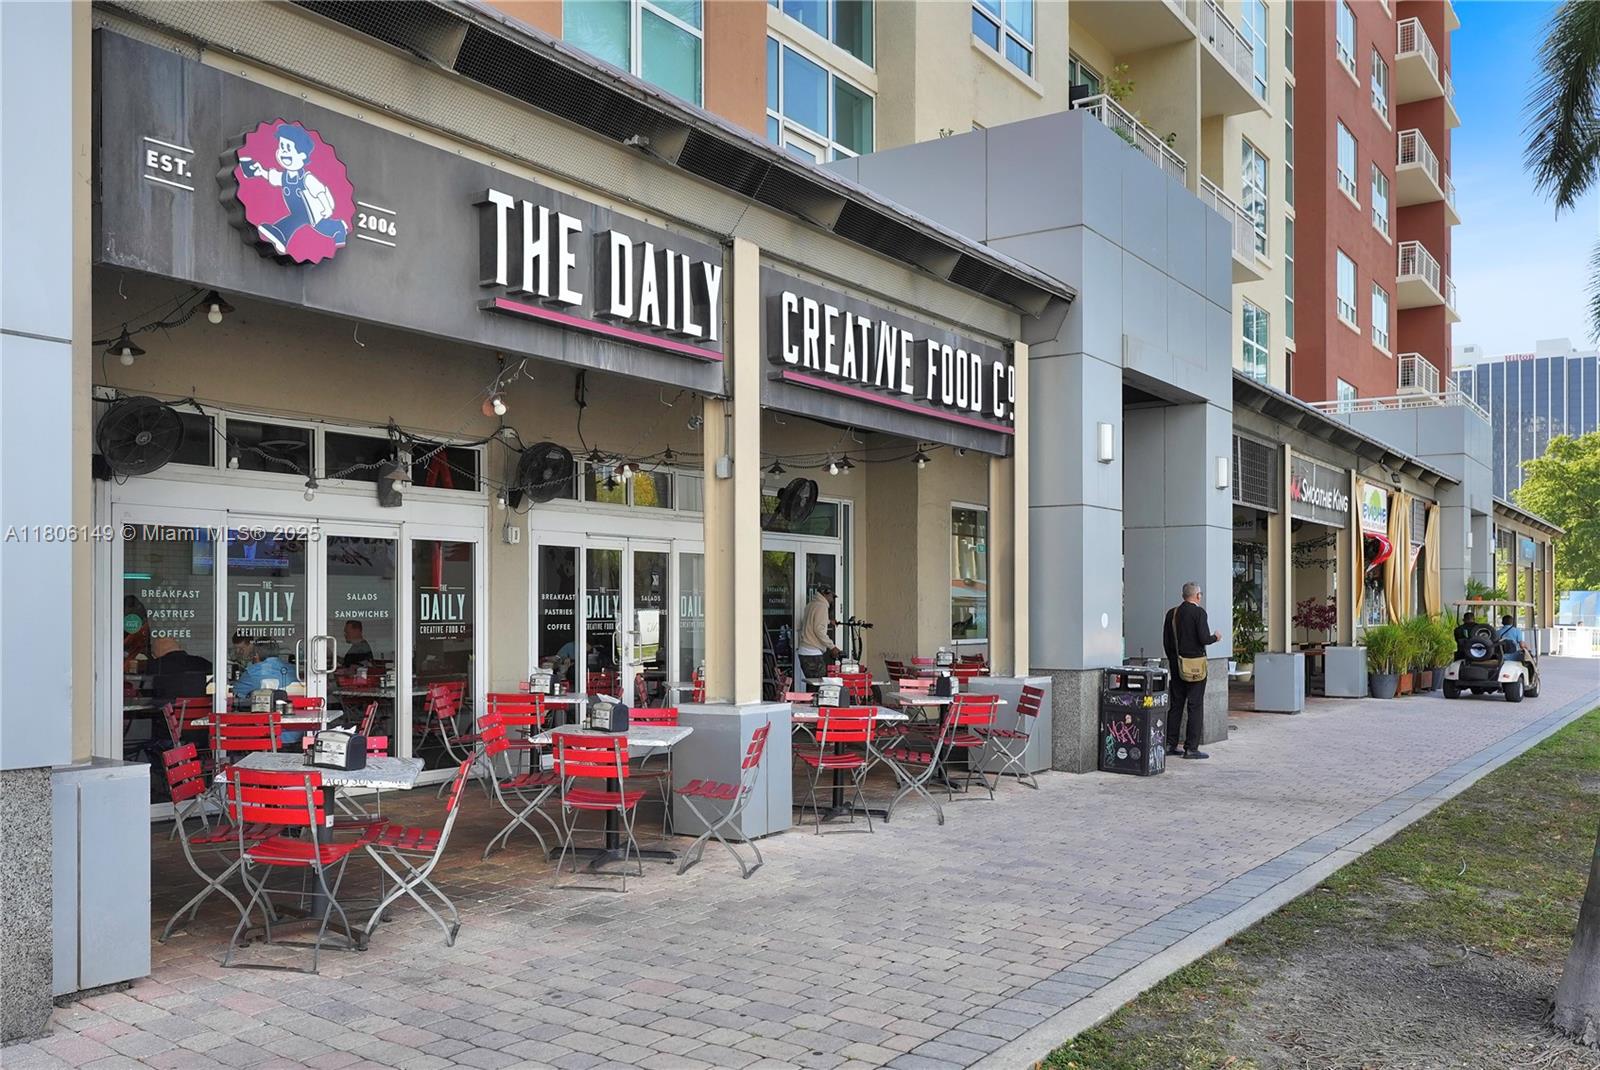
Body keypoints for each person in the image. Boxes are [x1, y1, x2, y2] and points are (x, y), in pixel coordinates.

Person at [1162, 581, 1222, 760]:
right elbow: (1203, 638)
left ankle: (1170, 744)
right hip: (1195, 667)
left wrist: (1174, 660)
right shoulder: (1199, 613)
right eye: (1200, 594)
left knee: (1176, 704)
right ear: (1197, 596)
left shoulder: (1172, 614)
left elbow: (1166, 641)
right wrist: (1215, 637)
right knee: (1195, 705)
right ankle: (1191, 748)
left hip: (1177, 665)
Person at [796, 584, 840, 688]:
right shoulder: (822, 606)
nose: (832, 600)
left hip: (805, 651)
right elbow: (819, 630)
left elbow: (812, 621)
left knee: (812, 685)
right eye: (832, 597)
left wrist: (828, 621)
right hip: (812, 653)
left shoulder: (811, 604)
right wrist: (832, 646)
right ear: (826, 594)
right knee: (820, 687)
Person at [148, 636, 212, 705]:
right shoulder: (204, 663)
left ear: (154, 655)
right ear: (179, 647)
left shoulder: (153, 666)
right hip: (202, 713)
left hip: (163, 713)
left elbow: (145, 694)